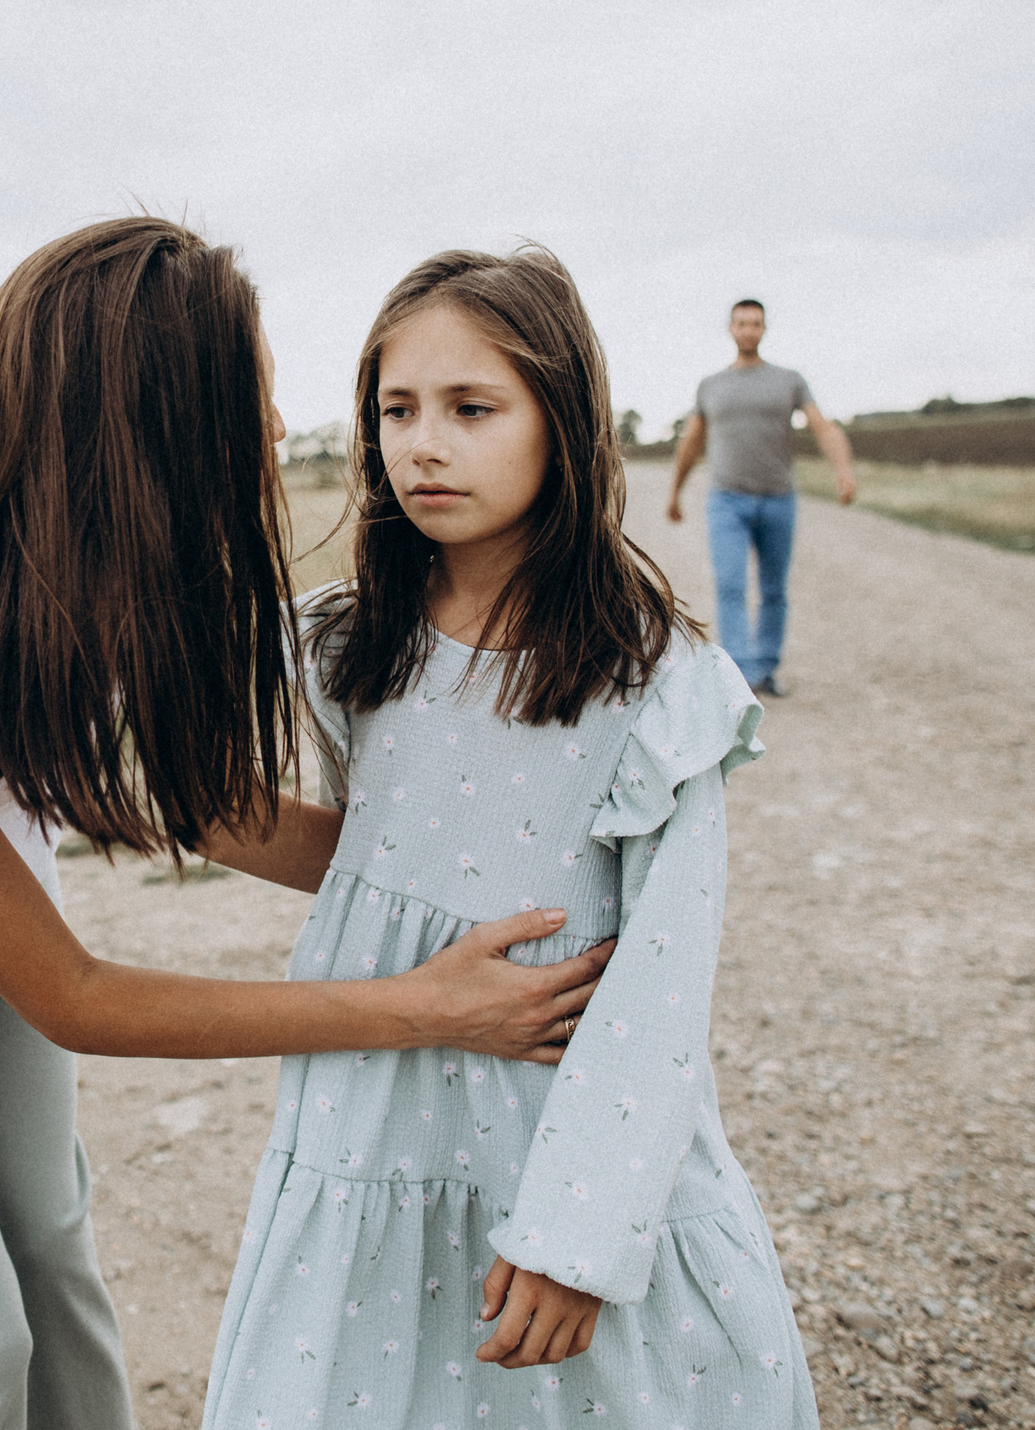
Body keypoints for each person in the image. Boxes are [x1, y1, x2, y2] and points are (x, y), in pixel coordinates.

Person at [0, 218, 617, 1430]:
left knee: (50, 1253)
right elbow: (75, 997)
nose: (270, 421)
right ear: (158, 425)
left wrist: (479, 870)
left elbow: (204, 806)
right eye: (245, 390)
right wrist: (426, 1010)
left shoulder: (108, 543)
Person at [199, 248, 817, 1428]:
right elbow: (315, 831)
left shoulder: (651, 678)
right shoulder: (350, 639)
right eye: (396, 409)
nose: (422, 443)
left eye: (472, 409)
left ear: (562, 423)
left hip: (554, 1132)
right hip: (368, 1116)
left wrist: (579, 1232)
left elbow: (662, 981)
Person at [664, 299, 855, 697]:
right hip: (726, 500)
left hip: (778, 499)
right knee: (731, 585)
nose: (749, 329)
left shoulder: (789, 380)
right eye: (742, 323)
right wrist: (675, 491)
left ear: (764, 329)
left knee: (774, 590)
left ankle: (766, 668)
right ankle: (740, 677)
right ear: (730, 328)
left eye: (756, 323)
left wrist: (843, 470)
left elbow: (822, 427)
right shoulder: (711, 385)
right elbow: (692, 441)